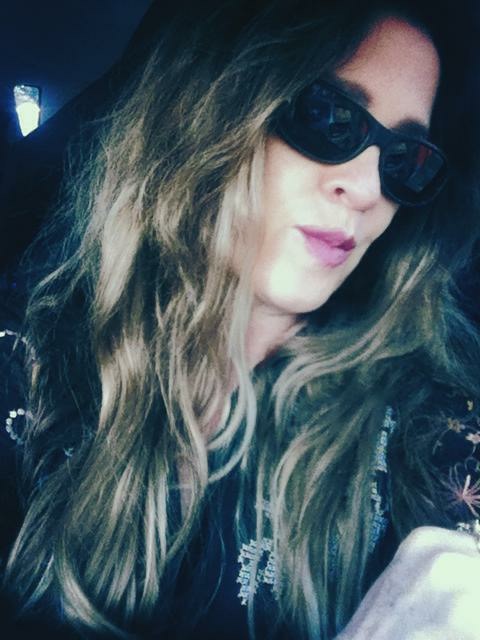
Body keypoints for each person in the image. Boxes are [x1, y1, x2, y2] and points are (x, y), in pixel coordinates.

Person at [1, 0, 480, 638]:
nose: (367, 189)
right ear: (207, 109)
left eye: (406, 160)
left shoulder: (426, 415)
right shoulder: (26, 364)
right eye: (329, 117)